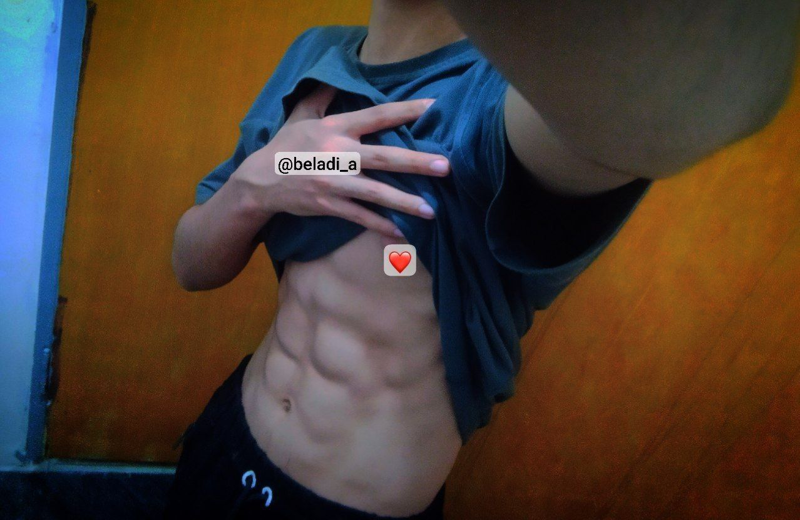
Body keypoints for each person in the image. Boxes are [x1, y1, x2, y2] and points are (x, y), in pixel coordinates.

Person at [166, 1, 798, 518]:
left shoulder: (509, 106)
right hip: (227, 438)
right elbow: (191, 267)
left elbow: (671, 98)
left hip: (349, 507)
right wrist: (262, 182)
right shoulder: (314, 56)